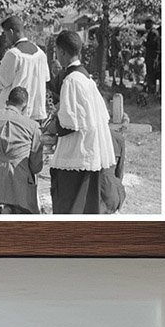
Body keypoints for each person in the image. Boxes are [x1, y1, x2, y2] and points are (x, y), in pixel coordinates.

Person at [49, 30, 117, 214]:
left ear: (62, 52)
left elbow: (68, 124)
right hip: (90, 148)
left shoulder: (71, 80)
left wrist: (51, 125)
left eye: (57, 52)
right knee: (87, 203)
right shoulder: (86, 77)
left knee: (70, 204)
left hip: (77, 151)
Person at [0, 86, 44, 214]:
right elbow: (36, 166)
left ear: (7, 102)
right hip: (19, 182)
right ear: (24, 107)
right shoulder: (33, 126)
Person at [0, 15, 50, 120]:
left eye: (6, 34)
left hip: (15, 114)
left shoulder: (14, 54)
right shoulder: (41, 54)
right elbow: (46, 79)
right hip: (36, 112)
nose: (6, 38)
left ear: (11, 32)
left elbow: (1, 82)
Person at [143, 19, 161, 95]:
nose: (145, 26)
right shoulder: (152, 32)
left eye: (146, 24)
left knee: (151, 73)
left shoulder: (153, 33)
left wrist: (145, 43)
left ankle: (152, 91)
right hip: (151, 56)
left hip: (152, 56)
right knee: (150, 73)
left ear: (150, 24)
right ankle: (151, 90)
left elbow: (152, 44)